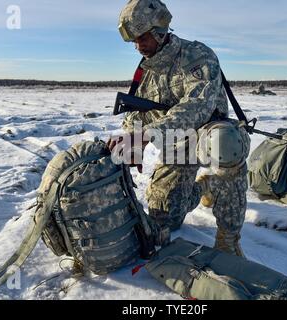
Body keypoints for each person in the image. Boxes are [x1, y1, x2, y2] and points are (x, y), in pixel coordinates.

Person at [109, 0, 250, 256]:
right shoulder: (146, 73)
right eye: (135, 41)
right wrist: (129, 141)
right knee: (167, 219)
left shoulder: (196, 55)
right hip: (177, 142)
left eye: (143, 37)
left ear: (160, 30)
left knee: (225, 142)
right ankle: (207, 187)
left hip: (208, 132)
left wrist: (148, 135)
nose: (139, 45)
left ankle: (229, 238)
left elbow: (198, 106)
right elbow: (137, 114)